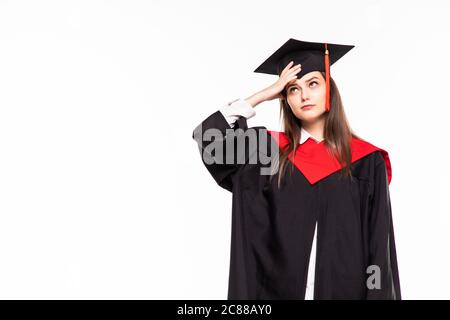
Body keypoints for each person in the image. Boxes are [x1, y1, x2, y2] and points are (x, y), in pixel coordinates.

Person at [192, 38, 401, 300]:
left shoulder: (366, 161)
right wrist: (264, 94)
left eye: (313, 83)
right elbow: (210, 140)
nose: (303, 95)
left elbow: (378, 248)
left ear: (329, 89)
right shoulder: (268, 153)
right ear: (285, 99)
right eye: (292, 89)